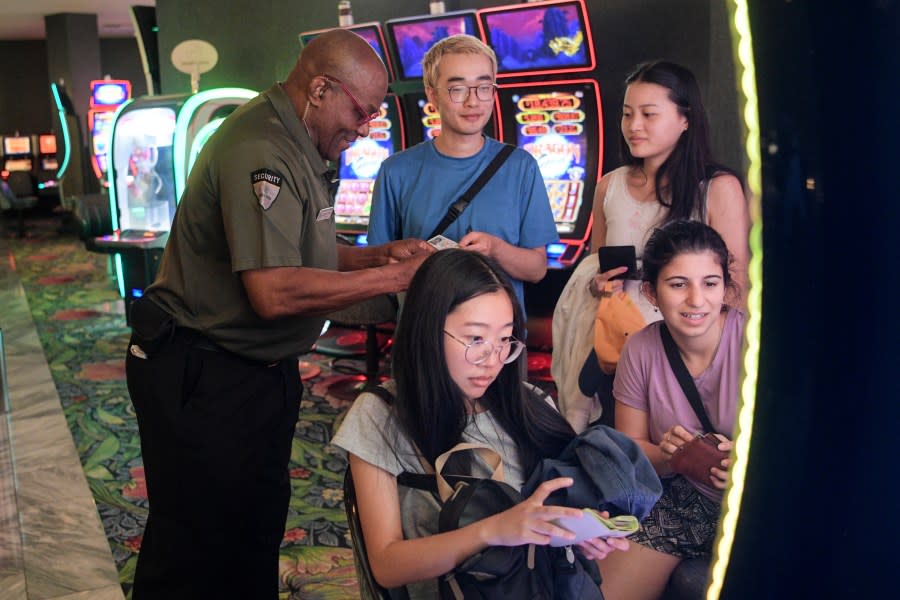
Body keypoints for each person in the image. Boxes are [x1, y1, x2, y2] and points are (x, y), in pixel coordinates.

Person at [124, 29, 433, 600]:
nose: (363, 128)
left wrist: (375, 255)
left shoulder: (299, 141)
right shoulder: (260, 148)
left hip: (255, 372)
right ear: (320, 89)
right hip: (202, 371)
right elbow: (271, 290)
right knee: (193, 543)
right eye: (360, 111)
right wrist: (394, 278)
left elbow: (299, 250)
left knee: (253, 529)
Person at [332, 249, 629, 599]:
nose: (493, 360)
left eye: (505, 340)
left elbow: (549, 519)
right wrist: (493, 531)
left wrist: (578, 535)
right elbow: (386, 565)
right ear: (428, 329)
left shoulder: (530, 403)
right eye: (475, 339)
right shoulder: (381, 415)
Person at [556, 60, 750, 431]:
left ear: (685, 119)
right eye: (627, 114)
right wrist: (598, 283)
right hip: (616, 347)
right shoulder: (608, 185)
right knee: (618, 454)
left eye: (649, 114)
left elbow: (733, 286)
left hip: (686, 355)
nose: (634, 126)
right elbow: (594, 266)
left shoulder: (716, 188)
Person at [598, 220, 742, 600]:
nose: (697, 300)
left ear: (726, 287)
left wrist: (744, 464)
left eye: (710, 283)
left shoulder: (754, 342)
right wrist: (670, 454)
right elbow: (631, 449)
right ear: (651, 292)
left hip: (759, 508)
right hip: (683, 501)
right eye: (679, 285)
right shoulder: (641, 349)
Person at [366, 34, 559, 313]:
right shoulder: (396, 171)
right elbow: (378, 266)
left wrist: (494, 248)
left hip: (500, 344)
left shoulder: (521, 166)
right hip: (423, 338)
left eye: (483, 87)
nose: (473, 101)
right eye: (458, 89)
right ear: (432, 95)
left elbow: (537, 269)